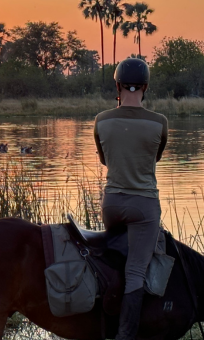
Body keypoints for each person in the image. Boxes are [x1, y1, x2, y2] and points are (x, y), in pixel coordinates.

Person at [94, 57, 167, 340]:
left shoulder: (101, 120)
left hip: (111, 203)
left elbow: (104, 160)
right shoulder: (159, 122)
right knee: (136, 270)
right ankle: (126, 336)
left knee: (111, 258)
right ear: (145, 87)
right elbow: (154, 159)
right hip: (144, 206)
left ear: (118, 85)